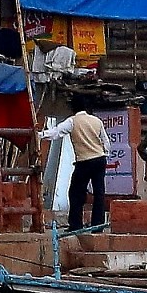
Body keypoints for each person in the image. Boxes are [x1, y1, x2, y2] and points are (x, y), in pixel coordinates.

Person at [55, 98, 110, 230]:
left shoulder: (72, 121)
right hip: (99, 159)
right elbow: (106, 143)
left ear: (73, 109)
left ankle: (75, 225)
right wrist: (103, 153)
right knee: (99, 193)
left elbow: (56, 132)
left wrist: (40, 135)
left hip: (84, 161)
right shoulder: (96, 121)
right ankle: (98, 226)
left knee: (75, 193)